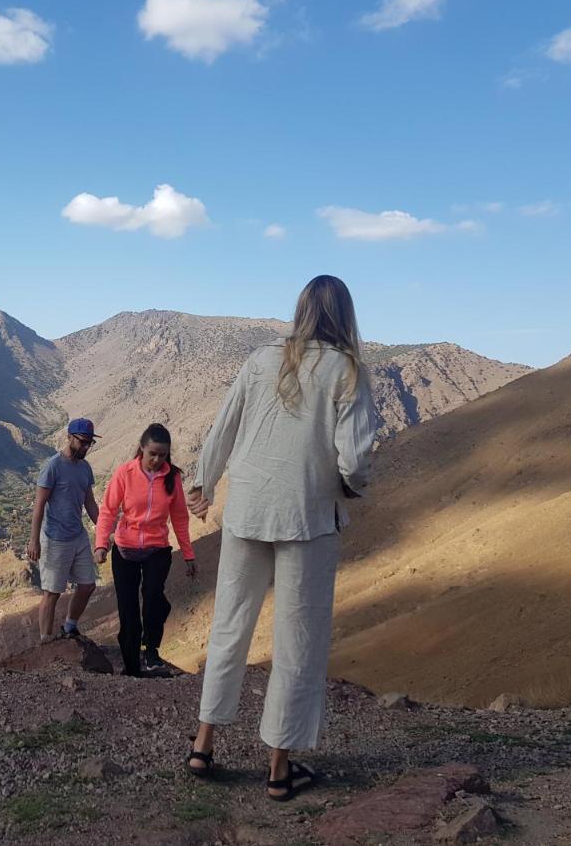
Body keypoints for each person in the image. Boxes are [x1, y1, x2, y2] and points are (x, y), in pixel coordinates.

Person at [183, 275, 377, 802]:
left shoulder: (261, 359)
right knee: (298, 639)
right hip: (308, 516)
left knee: (229, 625)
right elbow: (355, 459)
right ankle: (278, 768)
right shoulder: (349, 370)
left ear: (301, 309)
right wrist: (349, 488)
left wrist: (203, 480)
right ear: (345, 314)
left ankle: (204, 743)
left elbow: (224, 426)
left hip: (247, 507)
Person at [94, 423, 196, 676]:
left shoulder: (172, 477)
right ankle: (132, 667)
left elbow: (180, 518)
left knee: (152, 598)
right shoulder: (125, 473)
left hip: (157, 549)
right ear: (142, 448)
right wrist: (101, 544)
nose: (158, 459)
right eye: (153, 454)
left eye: (163, 455)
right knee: (128, 609)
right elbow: (108, 511)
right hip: (125, 549)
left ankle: (151, 650)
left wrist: (188, 553)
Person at [28, 418, 101, 643]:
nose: (86, 447)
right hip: (54, 538)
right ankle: (45, 640)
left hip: (77, 535)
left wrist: (104, 530)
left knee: (88, 584)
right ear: (69, 437)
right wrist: (34, 541)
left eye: (90, 443)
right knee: (52, 592)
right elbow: (39, 505)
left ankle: (69, 626)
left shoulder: (85, 468)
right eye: (83, 442)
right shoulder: (52, 466)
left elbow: (89, 502)